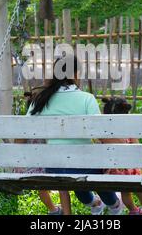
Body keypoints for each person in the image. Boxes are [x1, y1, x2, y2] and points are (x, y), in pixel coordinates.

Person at [27, 55, 124, 215]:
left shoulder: (39, 100)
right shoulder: (86, 99)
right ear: (76, 74)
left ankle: (95, 203)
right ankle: (114, 205)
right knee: (93, 173)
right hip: (86, 165)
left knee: (76, 176)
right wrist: (124, 146)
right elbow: (102, 133)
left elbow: (21, 133)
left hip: (54, 168)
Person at [101, 97, 142, 215]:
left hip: (114, 171)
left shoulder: (104, 131)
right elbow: (137, 146)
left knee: (126, 192)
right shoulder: (128, 129)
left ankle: (133, 210)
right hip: (131, 170)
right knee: (140, 192)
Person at [14, 88, 65, 215]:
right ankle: (59, 210)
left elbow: (16, 145)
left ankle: (53, 210)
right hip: (50, 167)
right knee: (60, 182)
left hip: (31, 168)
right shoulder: (49, 122)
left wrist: (18, 165)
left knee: (41, 187)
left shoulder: (24, 125)